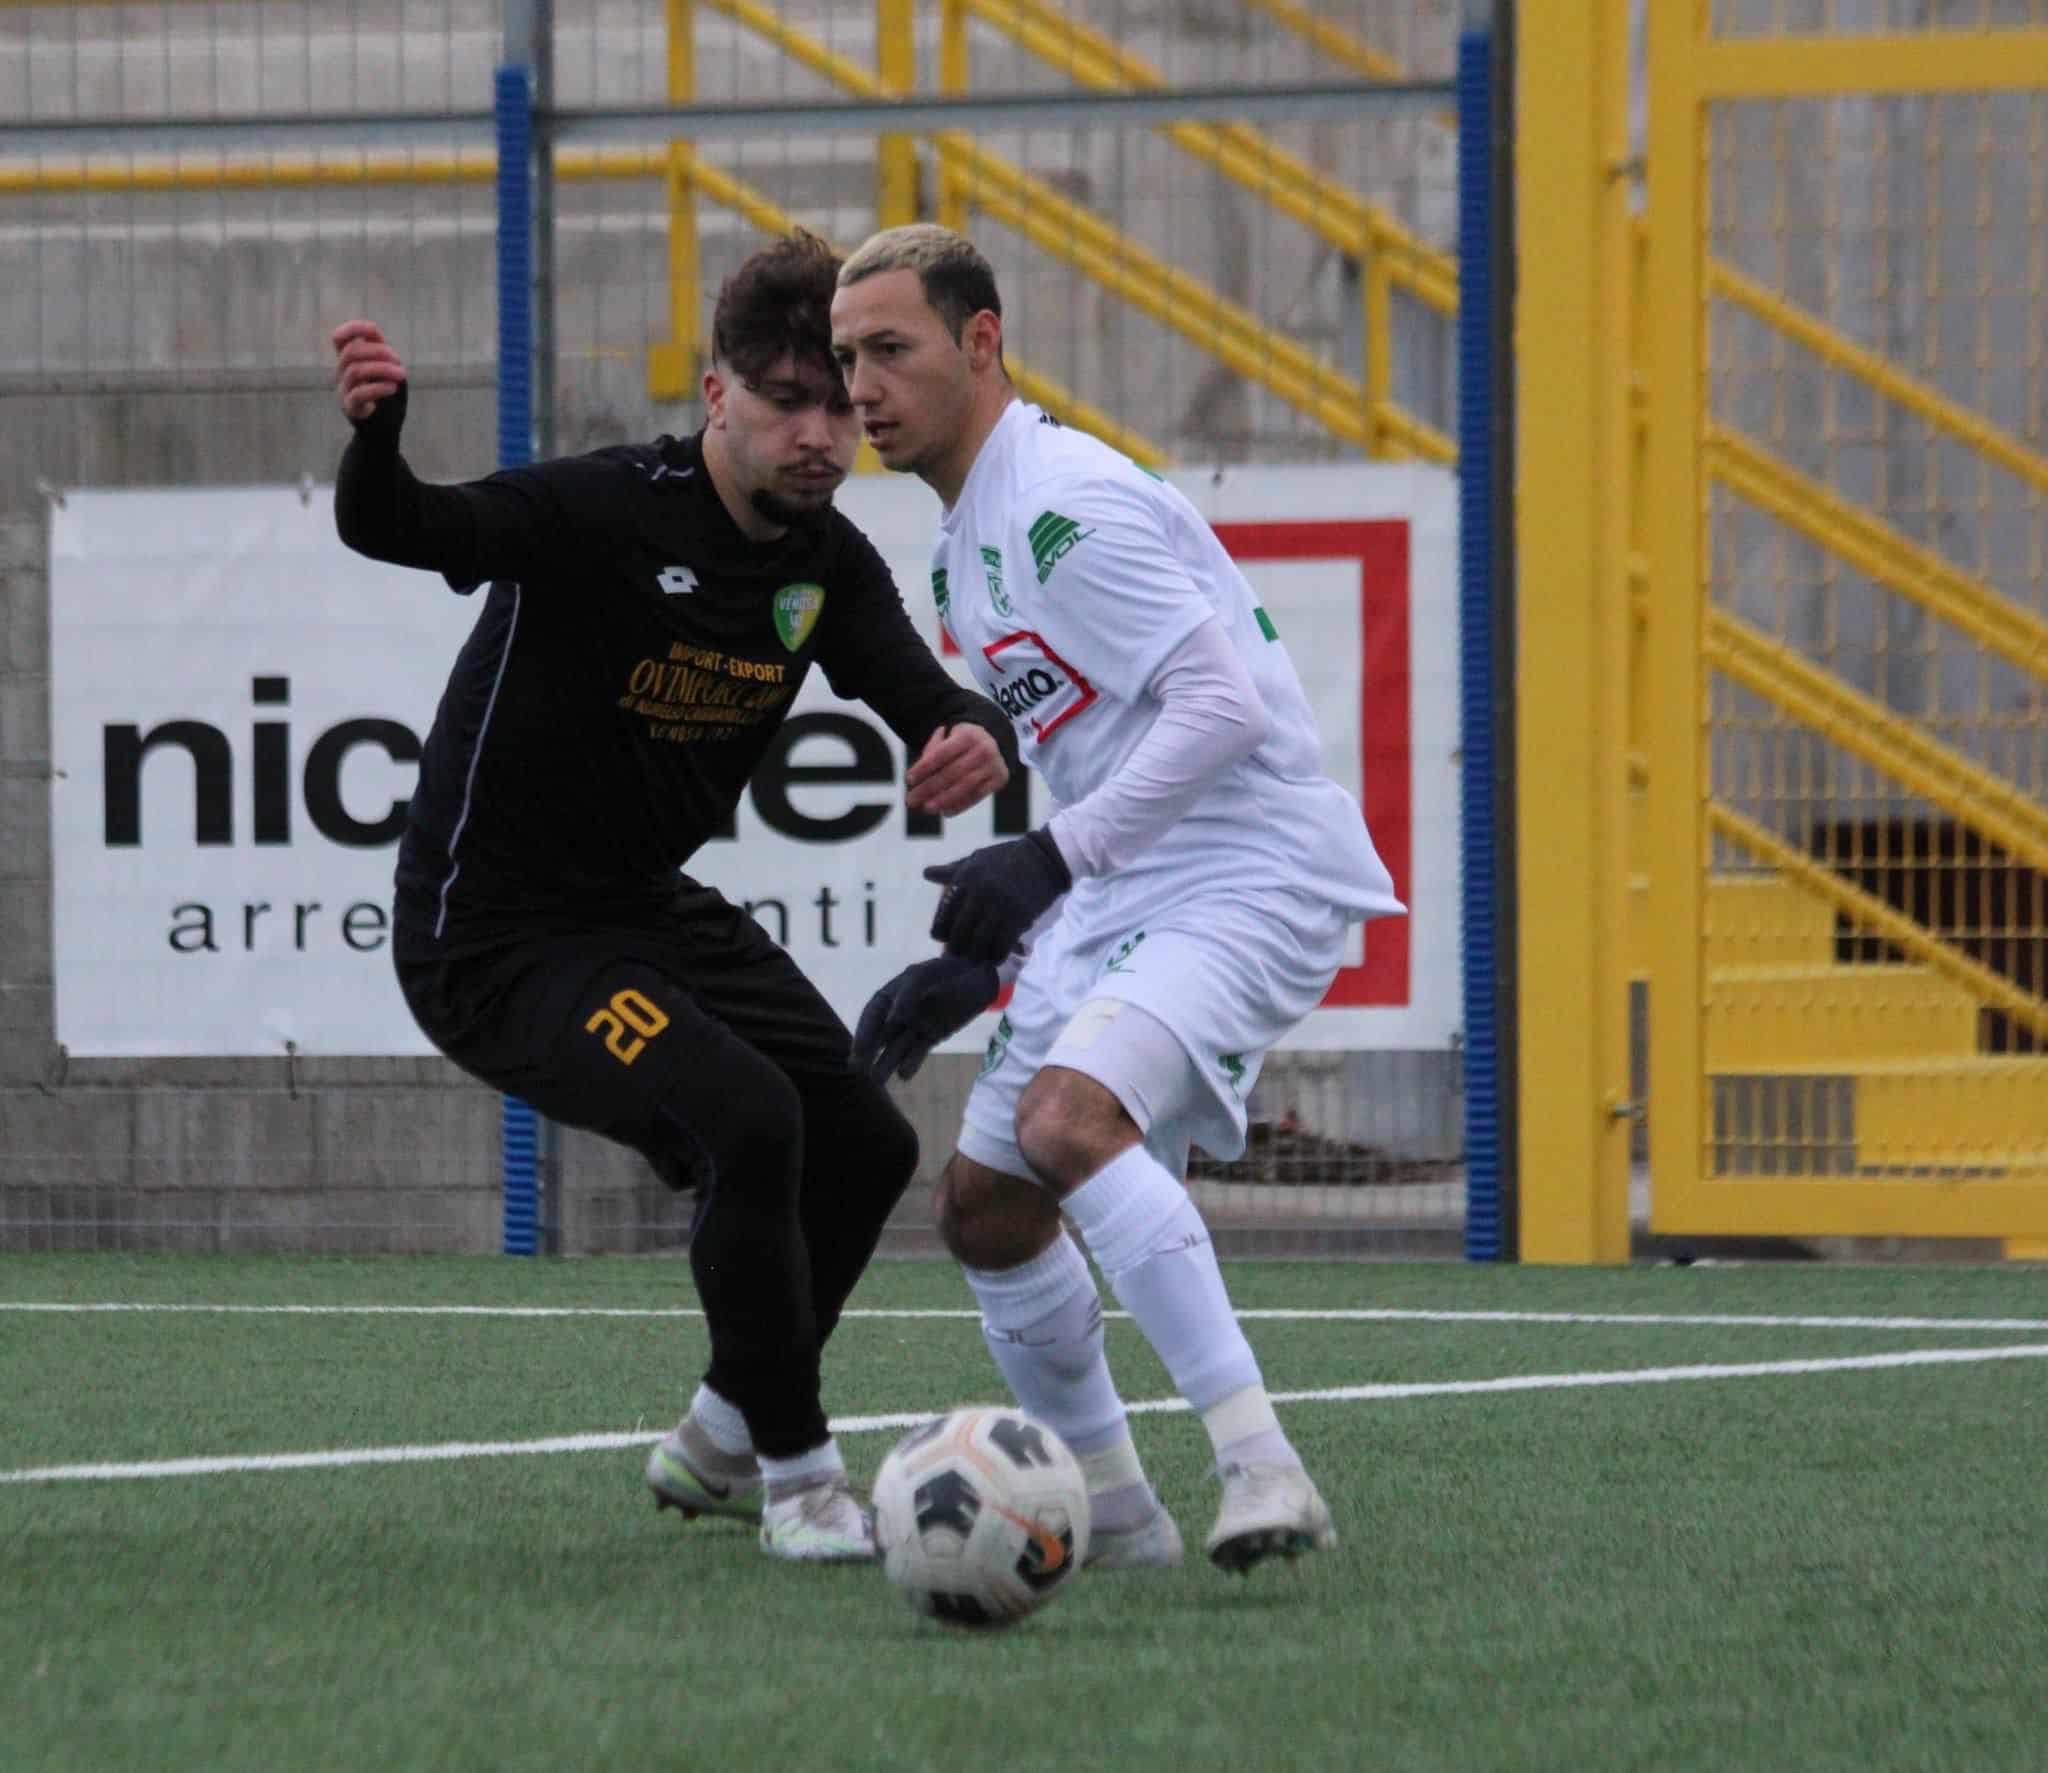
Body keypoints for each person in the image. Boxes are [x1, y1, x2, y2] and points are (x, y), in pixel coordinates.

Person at [329, 230, 1017, 1563]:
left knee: (867, 1145)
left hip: (638, 907)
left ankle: (717, 1428)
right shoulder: (605, 511)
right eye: (783, 398)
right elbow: (401, 523)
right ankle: (803, 1479)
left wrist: (967, 729)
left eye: (837, 400)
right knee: (748, 1118)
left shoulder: (823, 563)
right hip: (494, 938)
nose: (818, 431)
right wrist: (377, 438)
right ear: (716, 395)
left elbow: (918, 690)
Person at [831, 225, 1403, 1574]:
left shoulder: (1061, 507)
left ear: (983, 343)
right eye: (850, 357)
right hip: (1134, 881)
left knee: (1069, 1120)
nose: (863, 387)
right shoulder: (964, 546)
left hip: (1248, 865)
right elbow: (1104, 751)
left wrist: (1048, 859)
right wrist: (1004, 949)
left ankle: (1264, 1464)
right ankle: (1123, 1519)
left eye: (893, 351)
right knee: (984, 1201)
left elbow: (1221, 707)